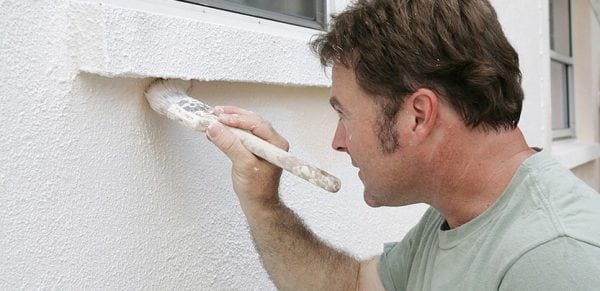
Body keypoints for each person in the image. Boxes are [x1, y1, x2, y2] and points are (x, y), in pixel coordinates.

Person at [205, 0, 600, 289]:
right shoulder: (460, 215)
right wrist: (263, 203)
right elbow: (355, 287)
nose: (338, 142)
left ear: (417, 116)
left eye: (344, 114)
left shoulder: (555, 260)